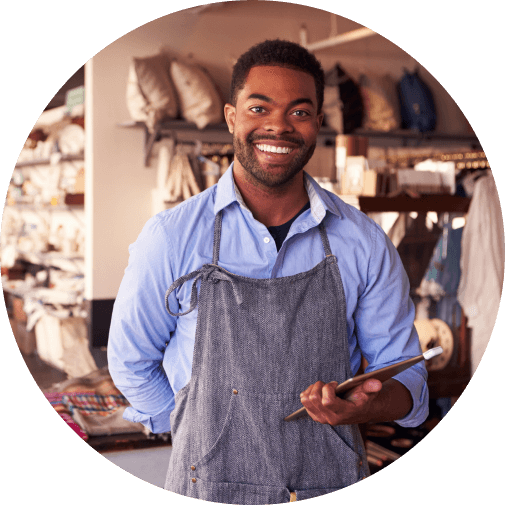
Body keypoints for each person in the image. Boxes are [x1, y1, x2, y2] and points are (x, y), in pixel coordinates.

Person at [107, 39, 428, 503]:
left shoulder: (363, 243)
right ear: (232, 116)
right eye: (259, 108)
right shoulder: (172, 237)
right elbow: (131, 360)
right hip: (206, 487)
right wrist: (192, 428)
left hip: (330, 479)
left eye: (299, 112)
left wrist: (368, 406)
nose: (278, 125)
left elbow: (410, 385)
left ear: (318, 123)